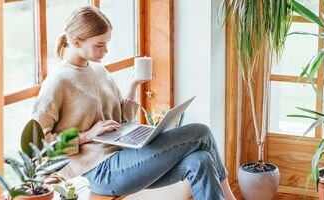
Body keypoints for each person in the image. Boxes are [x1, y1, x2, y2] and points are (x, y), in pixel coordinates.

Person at [31, 5, 236, 200]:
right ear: (76, 42)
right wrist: (86, 136)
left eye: (107, 43)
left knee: (201, 160)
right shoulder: (58, 81)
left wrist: (133, 85)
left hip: (125, 157)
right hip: (100, 170)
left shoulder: (98, 69)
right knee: (200, 132)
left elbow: (120, 121)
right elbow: (36, 146)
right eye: (99, 45)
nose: (105, 51)